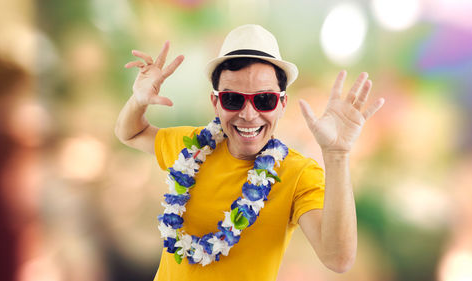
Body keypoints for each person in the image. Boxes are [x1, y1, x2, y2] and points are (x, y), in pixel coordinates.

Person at [115, 24, 384, 281]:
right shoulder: (192, 148)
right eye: (233, 99)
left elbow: (337, 259)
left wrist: (337, 154)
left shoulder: (298, 174)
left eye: (263, 100)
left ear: (281, 104)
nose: (248, 114)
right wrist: (138, 100)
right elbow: (131, 132)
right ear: (216, 102)